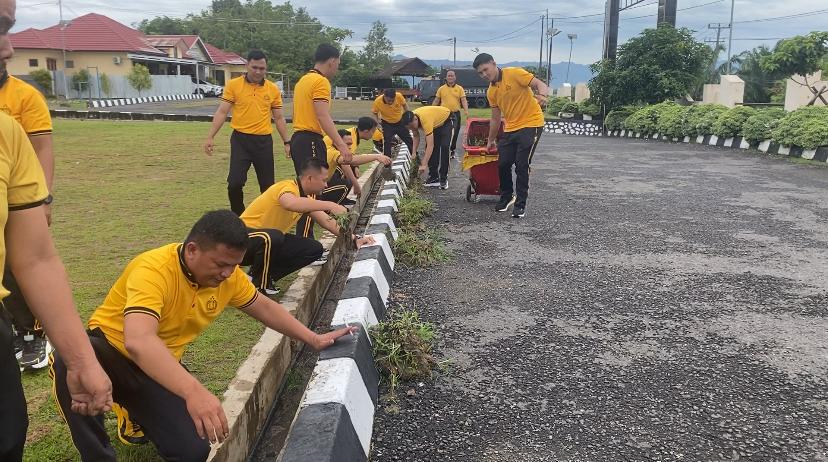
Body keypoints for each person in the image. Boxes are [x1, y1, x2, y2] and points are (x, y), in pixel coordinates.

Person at [52, 211, 355, 462]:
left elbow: (265, 308)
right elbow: (139, 341)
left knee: (193, 450)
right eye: (220, 264)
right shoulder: (153, 269)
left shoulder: (229, 278)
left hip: (158, 365)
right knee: (74, 358)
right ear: (192, 249)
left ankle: (136, 411)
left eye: (234, 266)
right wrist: (194, 392)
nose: (227, 274)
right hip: (109, 353)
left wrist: (313, 339)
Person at [0, 2, 113, 458]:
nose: (8, 48)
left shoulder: (8, 132)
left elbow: (35, 259)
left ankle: (30, 336)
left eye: (7, 28)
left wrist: (81, 360)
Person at [0, 50, 56, 371]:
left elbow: (42, 147)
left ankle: (33, 332)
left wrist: (43, 199)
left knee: (16, 267)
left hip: (18, 198)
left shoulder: (25, 97)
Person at [241, 159, 376, 289]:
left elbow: (327, 222)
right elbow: (289, 203)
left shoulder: (305, 198)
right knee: (276, 236)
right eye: (324, 180)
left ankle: (261, 277)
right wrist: (330, 205)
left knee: (313, 249)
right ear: (310, 178)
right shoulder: (287, 187)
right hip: (244, 239)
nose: (326, 185)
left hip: (268, 242)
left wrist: (354, 239)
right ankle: (258, 281)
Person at [203, 50, 290, 216]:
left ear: (266, 68)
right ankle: (238, 217)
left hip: (263, 142)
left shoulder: (272, 89)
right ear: (247, 65)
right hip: (240, 140)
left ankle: (266, 217)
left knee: (267, 186)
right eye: (254, 67)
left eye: (262, 68)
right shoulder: (233, 85)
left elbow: (279, 118)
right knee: (234, 184)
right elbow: (222, 112)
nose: (258, 72)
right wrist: (210, 136)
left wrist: (287, 142)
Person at [473, 53, 549, 218]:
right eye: (480, 73)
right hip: (511, 127)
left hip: (532, 123)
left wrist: (543, 96)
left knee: (521, 165)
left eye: (485, 69)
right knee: (503, 164)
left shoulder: (514, 73)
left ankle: (520, 204)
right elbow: (495, 118)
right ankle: (507, 196)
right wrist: (490, 140)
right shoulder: (491, 91)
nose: (484, 74)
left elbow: (539, 84)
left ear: (494, 63)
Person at [291, 44, 352, 175]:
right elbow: (322, 115)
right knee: (316, 183)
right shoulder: (321, 82)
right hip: (311, 140)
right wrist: (341, 145)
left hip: (298, 140)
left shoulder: (302, 80)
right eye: (338, 64)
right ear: (332, 61)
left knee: (306, 184)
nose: (337, 69)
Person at [403, 106, 453, 189]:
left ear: (415, 119)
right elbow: (416, 136)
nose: (412, 129)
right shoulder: (411, 119)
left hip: (446, 120)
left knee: (444, 147)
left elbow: (431, 145)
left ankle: (443, 179)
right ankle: (434, 178)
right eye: (409, 128)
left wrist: (424, 164)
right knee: (432, 150)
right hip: (434, 123)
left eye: (412, 126)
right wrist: (414, 152)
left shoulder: (425, 120)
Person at [433, 70, 469, 159]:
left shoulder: (459, 88)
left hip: (455, 114)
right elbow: (437, 100)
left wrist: (466, 111)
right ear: (446, 77)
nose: (450, 77)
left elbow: (463, 100)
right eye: (448, 76)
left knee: (455, 133)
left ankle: (452, 150)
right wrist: (431, 109)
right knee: (443, 132)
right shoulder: (441, 89)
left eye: (452, 76)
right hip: (443, 114)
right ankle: (444, 149)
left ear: (455, 77)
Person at [372, 88, 413, 158]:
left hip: (400, 122)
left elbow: (405, 105)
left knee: (408, 139)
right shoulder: (377, 101)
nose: (390, 102)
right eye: (389, 100)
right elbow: (374, 113)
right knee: (387, 142)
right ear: (384, 96)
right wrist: (377, 124)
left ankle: (415, 157)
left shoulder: (399, 96)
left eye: (392, 100)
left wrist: (407, 116)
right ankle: (387, 161)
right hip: (387, 124)